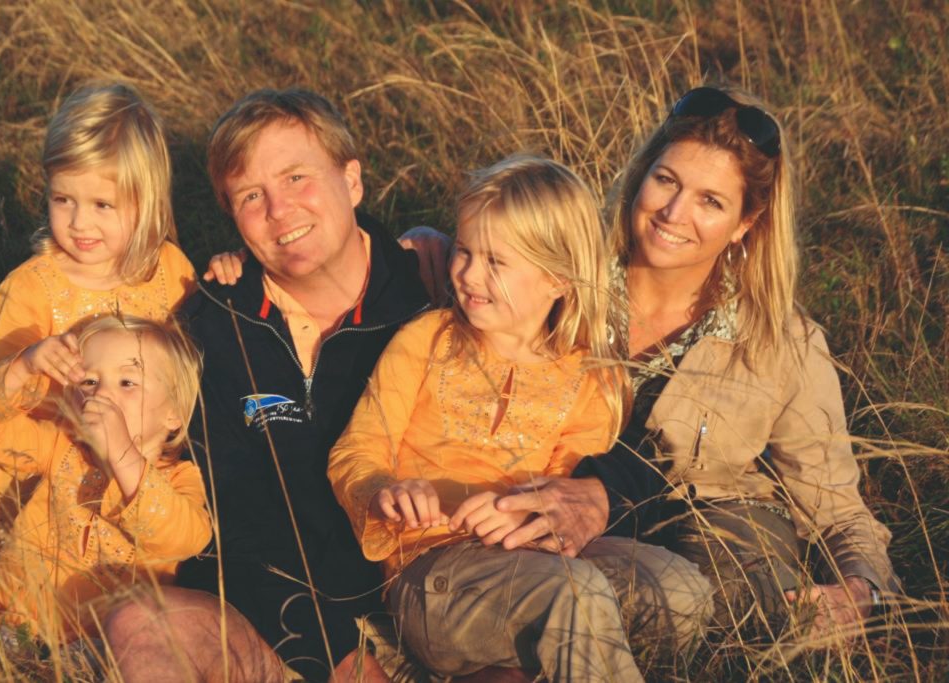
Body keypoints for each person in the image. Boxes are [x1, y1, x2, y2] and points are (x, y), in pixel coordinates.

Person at [496, 86, 898, 643]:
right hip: (555, 499)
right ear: (641, 176)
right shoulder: (565, 282)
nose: (674, 213)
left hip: (711, 527)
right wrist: (416, 257)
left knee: (725, 595)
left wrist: (862, 590)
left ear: (745, 222)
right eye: (666, 181)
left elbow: (837, 509)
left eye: (711, 201)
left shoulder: (783, 341)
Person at [328, 155, 711, 682]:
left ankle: (557, 657)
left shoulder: (593, 379)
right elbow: (357, 449)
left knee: (682, 590)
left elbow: (565, 498)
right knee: (574, 595)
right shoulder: (426, 340)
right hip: (432, 570)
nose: (468, 274)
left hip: (539, 559)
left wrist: (525, 516)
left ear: (557, 279)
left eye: (495, 262)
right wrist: (383, 491)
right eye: (464, 251)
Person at [102, 88, 432, 682]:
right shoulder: (214, 327)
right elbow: (232, 524)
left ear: (352, 181)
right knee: (138, 625)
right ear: (232, 216)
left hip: (422, 604)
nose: (279, 209)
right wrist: (339, 659)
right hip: (280, 625)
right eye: (251, 196)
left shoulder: (432, 300)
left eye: (296, 177)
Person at [0, 83, 196, 539]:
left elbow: (187, 371)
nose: (79, 222)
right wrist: (27, 362)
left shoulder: (170, 271)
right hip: (39, 478)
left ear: (146, 200)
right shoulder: (29, 290)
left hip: (137, 472)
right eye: (62, 200)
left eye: (102, 205)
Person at [0, 315, 211, 644]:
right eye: (89, 381)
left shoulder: (179, 478)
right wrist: (25, 366)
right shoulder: (59, 447)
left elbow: (185, 539)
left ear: (174, 414)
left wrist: (123, 454)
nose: (102, 393)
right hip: (8, 619)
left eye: (127, 382)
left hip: (102, 645)